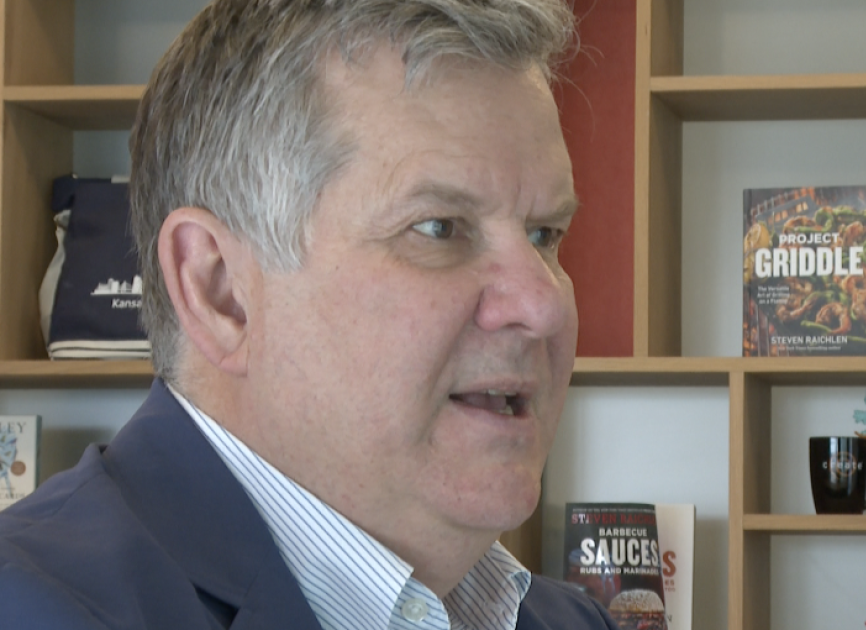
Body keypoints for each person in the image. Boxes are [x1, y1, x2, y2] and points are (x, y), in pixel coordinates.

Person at [0, 1, 619, 629]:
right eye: (439, 228)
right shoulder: (29, 607)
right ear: (220, 292)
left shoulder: (572, 621)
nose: (543, 305)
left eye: (545, 235)